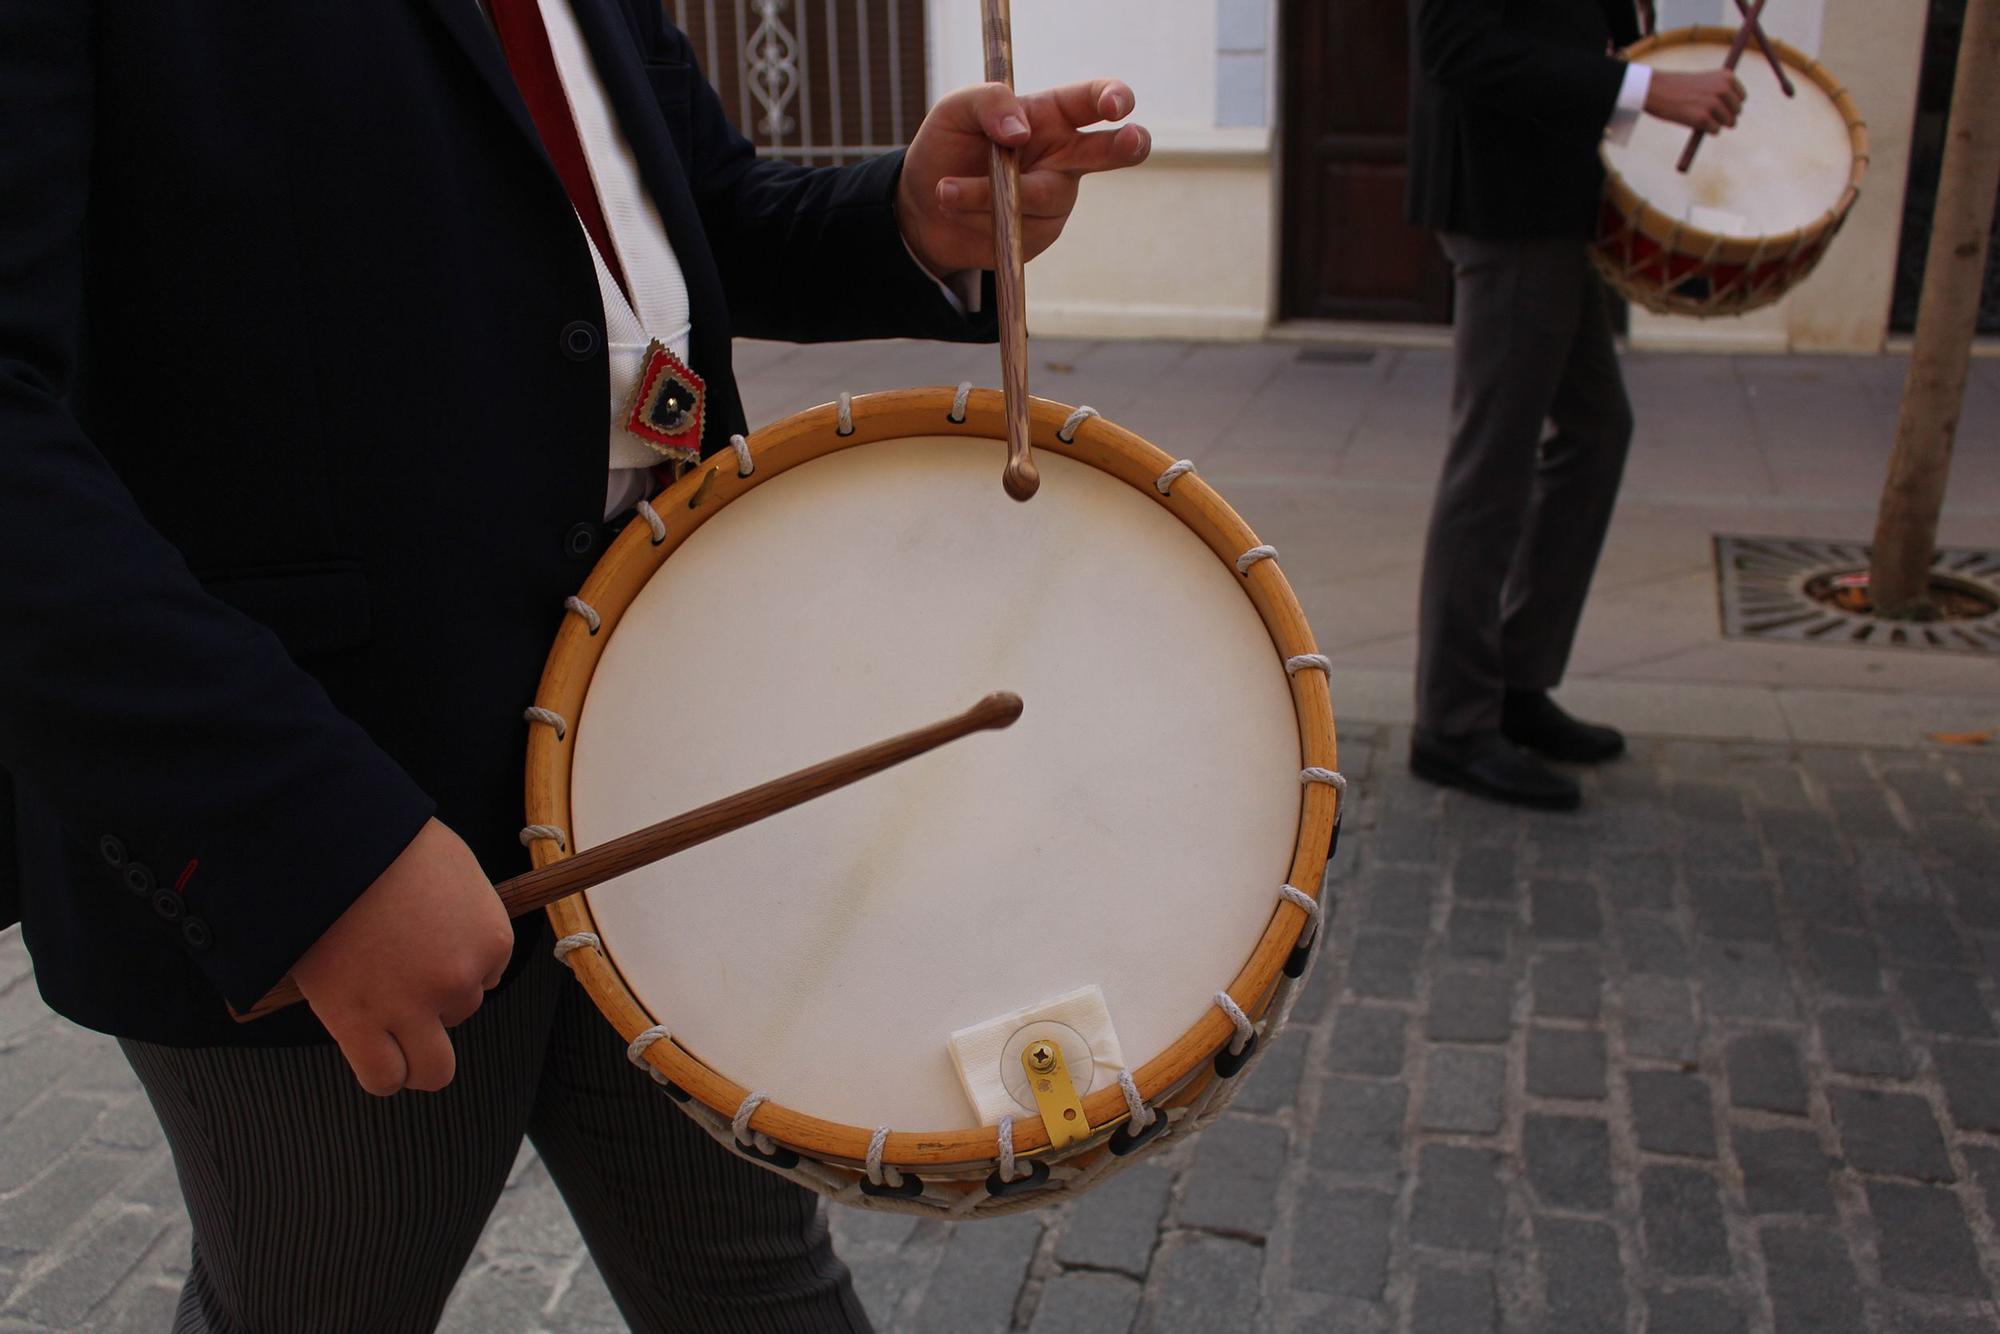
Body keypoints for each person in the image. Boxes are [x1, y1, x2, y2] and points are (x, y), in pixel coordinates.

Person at [0, 2, 1148, 1328]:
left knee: (755, 1279)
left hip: (667, 778)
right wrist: (305, 845)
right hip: (351, 795)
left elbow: (676, 213)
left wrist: (909, 214)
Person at [1404, 0, 1745, 810]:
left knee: (1596, 431)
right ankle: (1452, 725)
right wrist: (1642, 86)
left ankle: (1513, 683)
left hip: (1558, 193)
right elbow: (1459, 47)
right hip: (1504, 198)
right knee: (1494, 462)